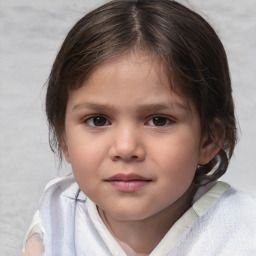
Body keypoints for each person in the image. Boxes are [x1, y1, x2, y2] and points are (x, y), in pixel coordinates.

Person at [22, 0, 256, 255]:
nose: (125, 148)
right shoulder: (56, 225)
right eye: (98, 120)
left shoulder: (241, 230)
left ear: (208, 140)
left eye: (159, 120)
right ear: (64, 138)